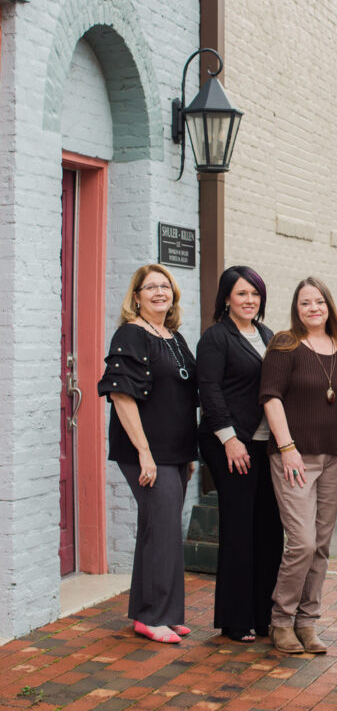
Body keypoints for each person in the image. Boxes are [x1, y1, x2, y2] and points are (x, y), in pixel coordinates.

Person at [97, 264, 197, 644]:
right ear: (136, 297)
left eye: (165, 286)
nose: (159, 292)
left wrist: (187, 454)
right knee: (165, 530)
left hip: (175, 451)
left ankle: (152, 613)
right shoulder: (131, 334)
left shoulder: (174, 337)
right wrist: (144, 452)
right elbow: (121, 395)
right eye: (150, 287)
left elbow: (181, 397)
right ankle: (155, 616)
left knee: (158, 528)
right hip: (146, 451)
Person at [259, 276, 337, 655]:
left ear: (329, 306)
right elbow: (270, 397)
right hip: (295, 457)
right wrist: (287, 448)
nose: (313, 308)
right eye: (305, 303)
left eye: (319, 302)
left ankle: (307, 622)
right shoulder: (285, 344)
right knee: (302, 542)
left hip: (334, 458)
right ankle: (281, 620)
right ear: (296, 309)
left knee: (322, 545)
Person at [197, 265, 284, 643]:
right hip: (231, 444)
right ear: (227, 298)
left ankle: (264, 616)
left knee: (269, 528)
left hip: (265, 445)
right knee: (239, 529)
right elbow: (209, 390)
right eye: (242, 293)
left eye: (255, 294)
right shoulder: (216, 337)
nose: (250, 300)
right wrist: (229, 440)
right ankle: (235, 619)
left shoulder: (267, 335)